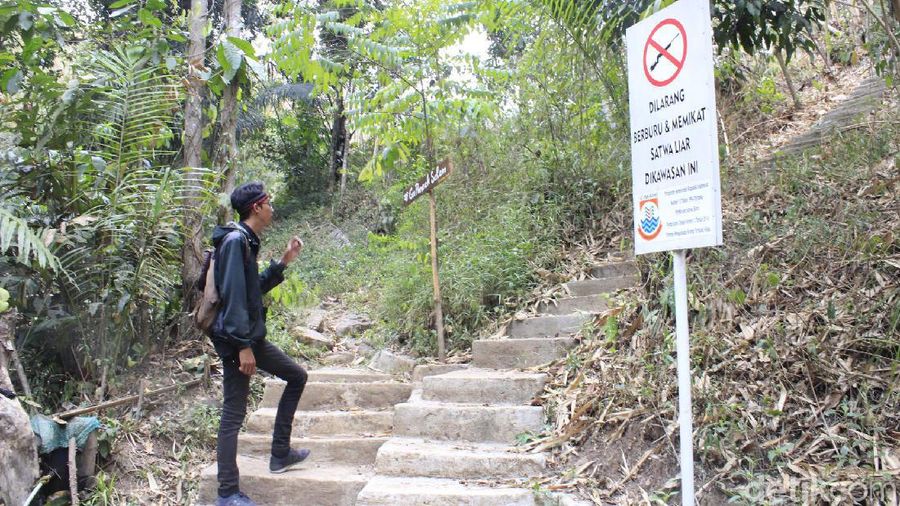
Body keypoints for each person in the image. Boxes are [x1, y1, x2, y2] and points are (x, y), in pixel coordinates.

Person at [209, 182, 310, 506]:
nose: (272, 208)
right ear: (257, 207)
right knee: (233, 414)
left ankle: (280, 453)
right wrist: (243, 347)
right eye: (269, 203)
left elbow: (252, 289)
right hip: (238, 341)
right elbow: (235, 298)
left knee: (296, 376)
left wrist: (283, 262)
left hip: (249, 337)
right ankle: (226, 494)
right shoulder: (237, 241)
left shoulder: (245, 241)